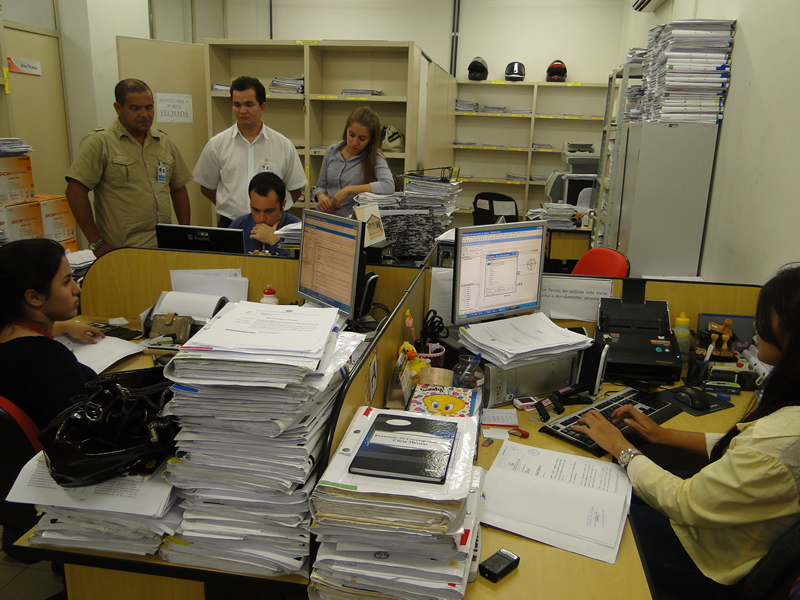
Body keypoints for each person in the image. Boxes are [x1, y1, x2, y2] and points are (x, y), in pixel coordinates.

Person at [572, 264, 800, 599]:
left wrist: (622, 448)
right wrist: (663, 436)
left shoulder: (780, 443)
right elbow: (744, 450)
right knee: (612, 490)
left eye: (766, 317)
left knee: (588, 511)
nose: (755, 325)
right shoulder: (787, 422)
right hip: (720, 525)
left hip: (708, 562)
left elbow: (685, 501)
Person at [65, 78, 193, 257]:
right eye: (135, 108)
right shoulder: (100, 142)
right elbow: (75, 192)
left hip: (163, 247)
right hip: (122, 250)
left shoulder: (164, 142)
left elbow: (178, 188)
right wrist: (96, 242)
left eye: (149, 107)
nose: (144, 114)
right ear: (118, 108)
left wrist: (185, 234)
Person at [0, 239, 105, 430]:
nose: (77, 289)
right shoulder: (47, 359)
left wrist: (64, 326)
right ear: (34, 297)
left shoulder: (8, 334)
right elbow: (86, 433)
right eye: (66, 282)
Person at [193, 76, 307, 227]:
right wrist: (230, 207)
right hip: (230, 223)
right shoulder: (217, 144)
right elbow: (207, 187)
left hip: (272, 226)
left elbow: (295, 189)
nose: (242, 111)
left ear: (262, 107)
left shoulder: (283, 145)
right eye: (237, 105)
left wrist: (270, 212)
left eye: (249, 104)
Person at [314, 106, 395, 217]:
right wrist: (321, 196)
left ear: (370, 139)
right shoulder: (331, 151)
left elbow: (388, 186)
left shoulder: (375, 157)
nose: (354, 142)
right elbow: (320, 186)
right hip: (323, 215)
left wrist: (349, 190)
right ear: (346, 130)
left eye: (362, 139)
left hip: (351, 218)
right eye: (351, 135)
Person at [230, 172, 300, 255]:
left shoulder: (298, 231)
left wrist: (274, 241)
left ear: (283, 204)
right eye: (256, 210)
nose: (261, 219)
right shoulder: (238, 226)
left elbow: (301, 262)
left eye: (269, 211)